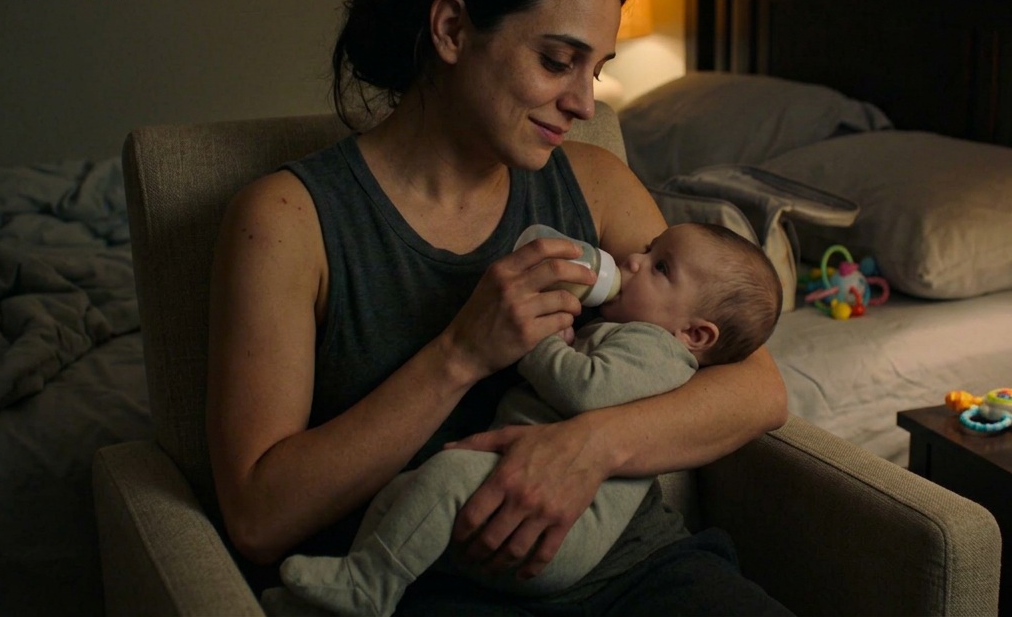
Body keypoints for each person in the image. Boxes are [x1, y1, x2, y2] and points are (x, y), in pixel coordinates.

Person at [206, 0, 792, 616]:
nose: (584, 102)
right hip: (431, 585)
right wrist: (461, 352)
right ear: (452, 29)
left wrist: (591, 446)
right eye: (557, 60)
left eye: (596, 70)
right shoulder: (291, 220)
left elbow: (756, 387)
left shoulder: (596, 183)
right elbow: (260, 517)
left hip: (640, 570)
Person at [268, 222, 783, 616]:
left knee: (442, 479)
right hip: (510, 507)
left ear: (696, 335)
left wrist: (537, 344)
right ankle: (349, 586)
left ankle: (370, 587)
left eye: (660, 267)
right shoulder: (629, 328)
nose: (631, 258)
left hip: (566, 535)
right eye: (649, 249)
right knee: (408, 491)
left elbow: (589, 390)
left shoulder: (659, 351)